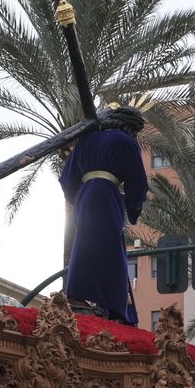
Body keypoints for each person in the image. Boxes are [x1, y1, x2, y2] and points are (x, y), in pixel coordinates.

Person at [61, 106, 149, 325]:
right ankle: (109, 302)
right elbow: (138, 184)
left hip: (85, 196)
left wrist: (78, 198)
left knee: (85, 244)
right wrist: (133, 210)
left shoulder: (85, 140)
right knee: (109, 249)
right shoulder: (127, 142)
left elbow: (67, 179)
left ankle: (77, 294)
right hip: (107, 196)